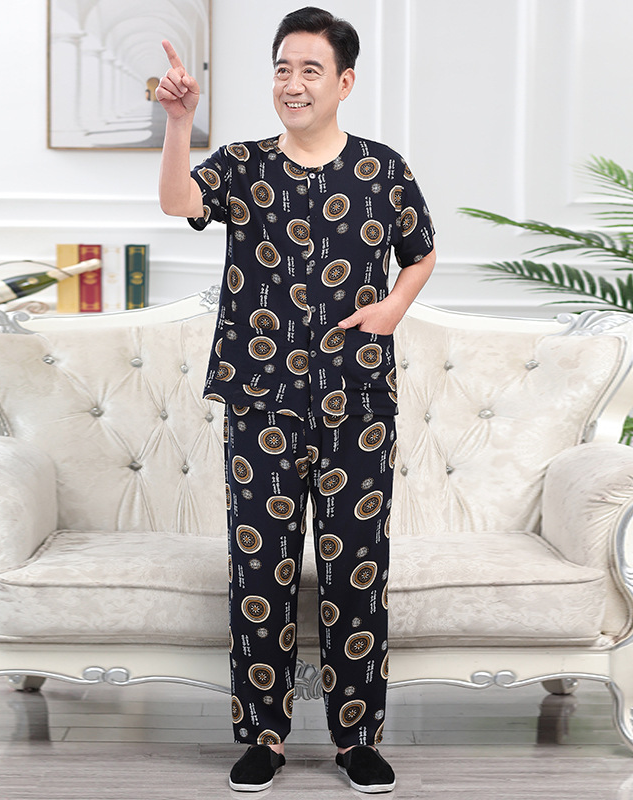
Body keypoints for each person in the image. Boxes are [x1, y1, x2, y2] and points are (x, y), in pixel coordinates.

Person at [157, 6, 436, 793]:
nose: (293, 83)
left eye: (310, 69)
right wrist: (179, 123)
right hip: (261, 402)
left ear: (344, 82)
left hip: (358, 403)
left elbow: (420, 252)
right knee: (261, 573)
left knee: (357, 572)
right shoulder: (241, 165)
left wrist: (393, 308)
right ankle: (265, 737)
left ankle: (357, 740)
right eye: (283, 68)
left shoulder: (383, 170)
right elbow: (178, 202)